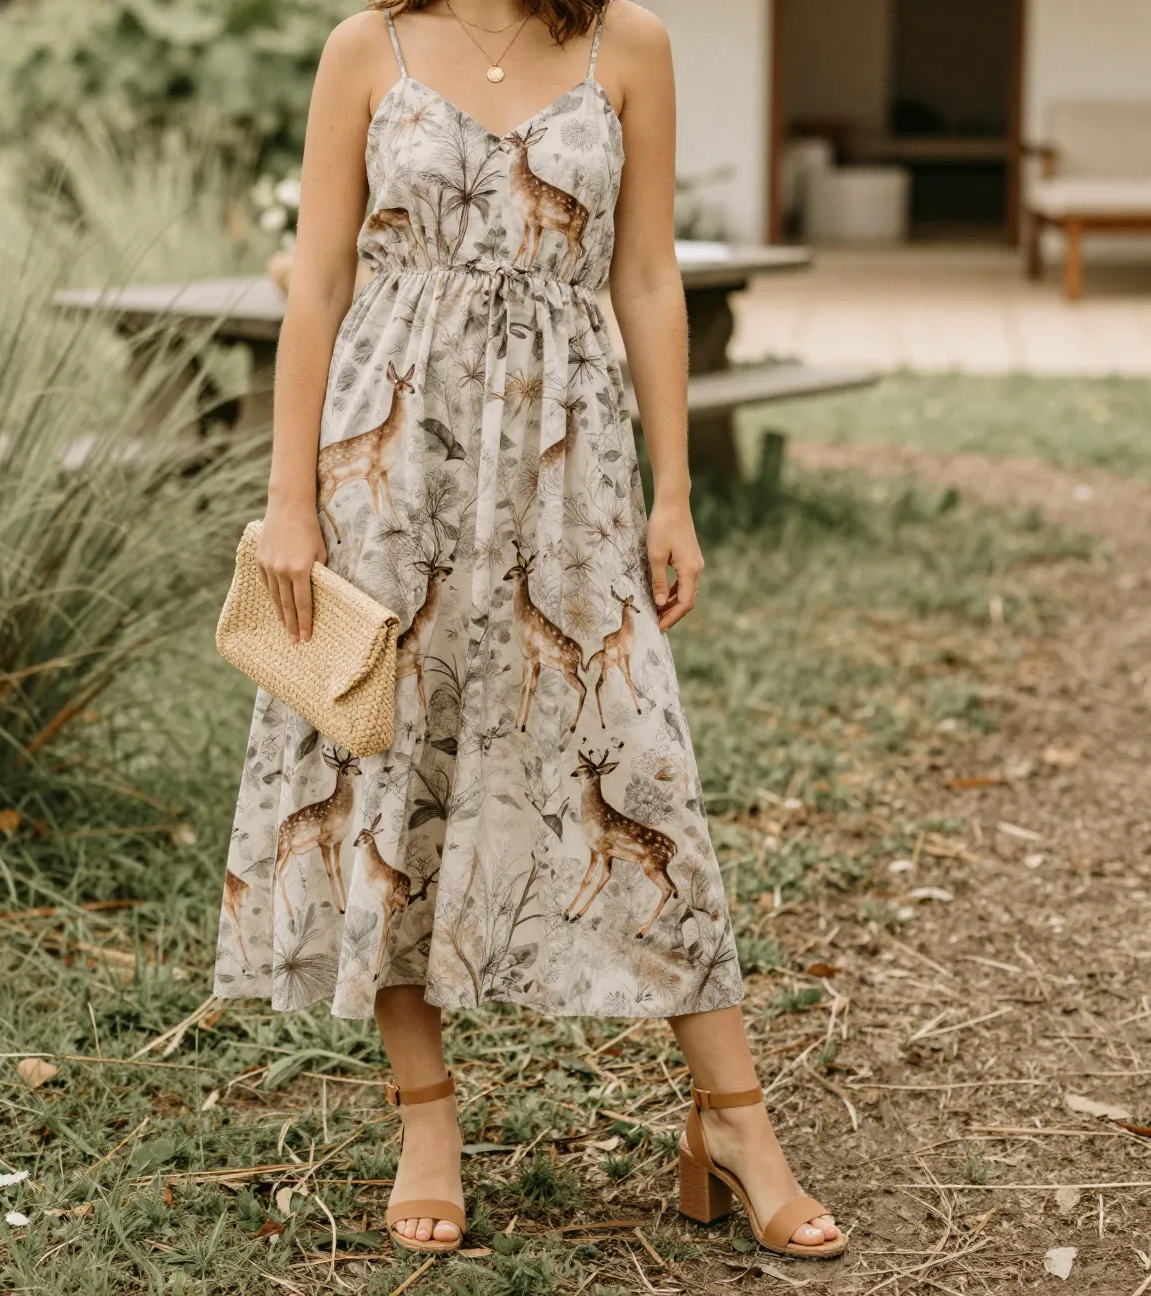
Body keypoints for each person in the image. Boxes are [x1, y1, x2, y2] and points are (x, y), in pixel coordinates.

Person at [213, 0, 844, 1260]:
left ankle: (735, 1123)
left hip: (570, 465)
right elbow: (320, 282)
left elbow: (649, 274)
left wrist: (674, 490)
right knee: (394, 757)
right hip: (385, 463)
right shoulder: (364, 49)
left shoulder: (630, 46)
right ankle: (427, 1122)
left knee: (638, 768)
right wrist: (290, 500)